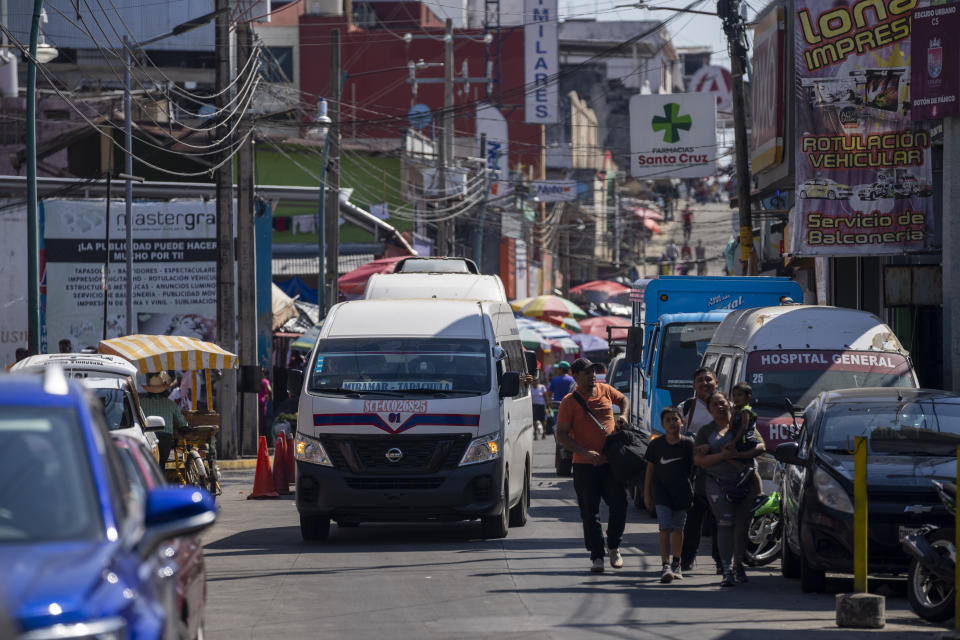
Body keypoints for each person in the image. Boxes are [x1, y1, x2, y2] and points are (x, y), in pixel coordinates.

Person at [555, 357, 629, 573]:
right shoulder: (569, 402)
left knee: (620, 505)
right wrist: (585, 452)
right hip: (584, 465)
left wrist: (622, 416)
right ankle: (597, 555)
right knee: (590, 512)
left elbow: (623, 400)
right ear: (576, 377)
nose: (592, 376)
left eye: (593, 371)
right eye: (587, 373)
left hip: (611, 463)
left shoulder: (605, 390)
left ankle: (614, 546)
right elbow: (561, 434)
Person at [694, 391, 765, 587]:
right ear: (709, 410)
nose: (719, 407)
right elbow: (698, 460)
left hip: (746, 483)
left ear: (729, 404)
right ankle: (726, 569)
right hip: (718, 483)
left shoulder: (742, 423)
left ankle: (738, 565)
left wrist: (739, 455)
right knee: (725, 523)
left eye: (722, 402)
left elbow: (761, 446)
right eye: (714, 404)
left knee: (742, 527)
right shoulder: (705, 431)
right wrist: (721, 457)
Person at [644, 406, 694, 583]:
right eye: (668, 420)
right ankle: (665, 565)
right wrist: (647, 494)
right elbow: (650, 469)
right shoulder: (656, 444)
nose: (672, 423)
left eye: (675, 419)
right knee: (665, 528)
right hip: (661, 492)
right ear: (663, 424)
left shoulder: (688, 444)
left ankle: (677, 564)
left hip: (682, 493)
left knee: (678, 529)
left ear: (682, 422)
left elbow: (694, 469)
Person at [679, 367, 722, 573]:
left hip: (722, 474)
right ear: (694, 385)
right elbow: (673, 435)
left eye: (708, 379)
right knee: (693, 521)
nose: (705, 383)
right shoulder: (687, 407)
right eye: (700, 380)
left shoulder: (727, 407)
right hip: (694, 475)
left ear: (717, 383)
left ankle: (722, 563)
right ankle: (686, 560)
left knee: (719, 522)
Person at [139, 371, 188, 468]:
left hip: (147, 438)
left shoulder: (141, 403)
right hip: (165, 439)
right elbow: (182, 423)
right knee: (161, 465)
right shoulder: (171, 404)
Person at [730, 381, 763, 494]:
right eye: (734, 395)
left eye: (739, 395)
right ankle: (745, 472)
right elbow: (731, 426)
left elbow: (743, 428)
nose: (736, 398)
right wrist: (733, 414)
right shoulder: (737, 411)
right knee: (751, 470)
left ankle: (760, 493)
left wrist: (734, 441)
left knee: (729, 456)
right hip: (741, 442)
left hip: (745, 442)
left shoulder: (746, 411)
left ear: (748, 397)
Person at [547, 360, 574, 435]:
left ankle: (560, 444)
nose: (558, 370)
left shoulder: (554, 380)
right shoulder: (573, 380)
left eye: (558, 368)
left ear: (561, 369)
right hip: (570, 407)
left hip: (557, 408)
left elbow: (549, 393)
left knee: (558, 428)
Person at [259, 367, 273, 443]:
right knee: (262, 423)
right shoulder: (264, 381)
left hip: (257, 403)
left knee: (259, 423)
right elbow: (270, 391)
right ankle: (262, 442)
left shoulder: (257, 381)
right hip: (261, 404)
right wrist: (267, 398)